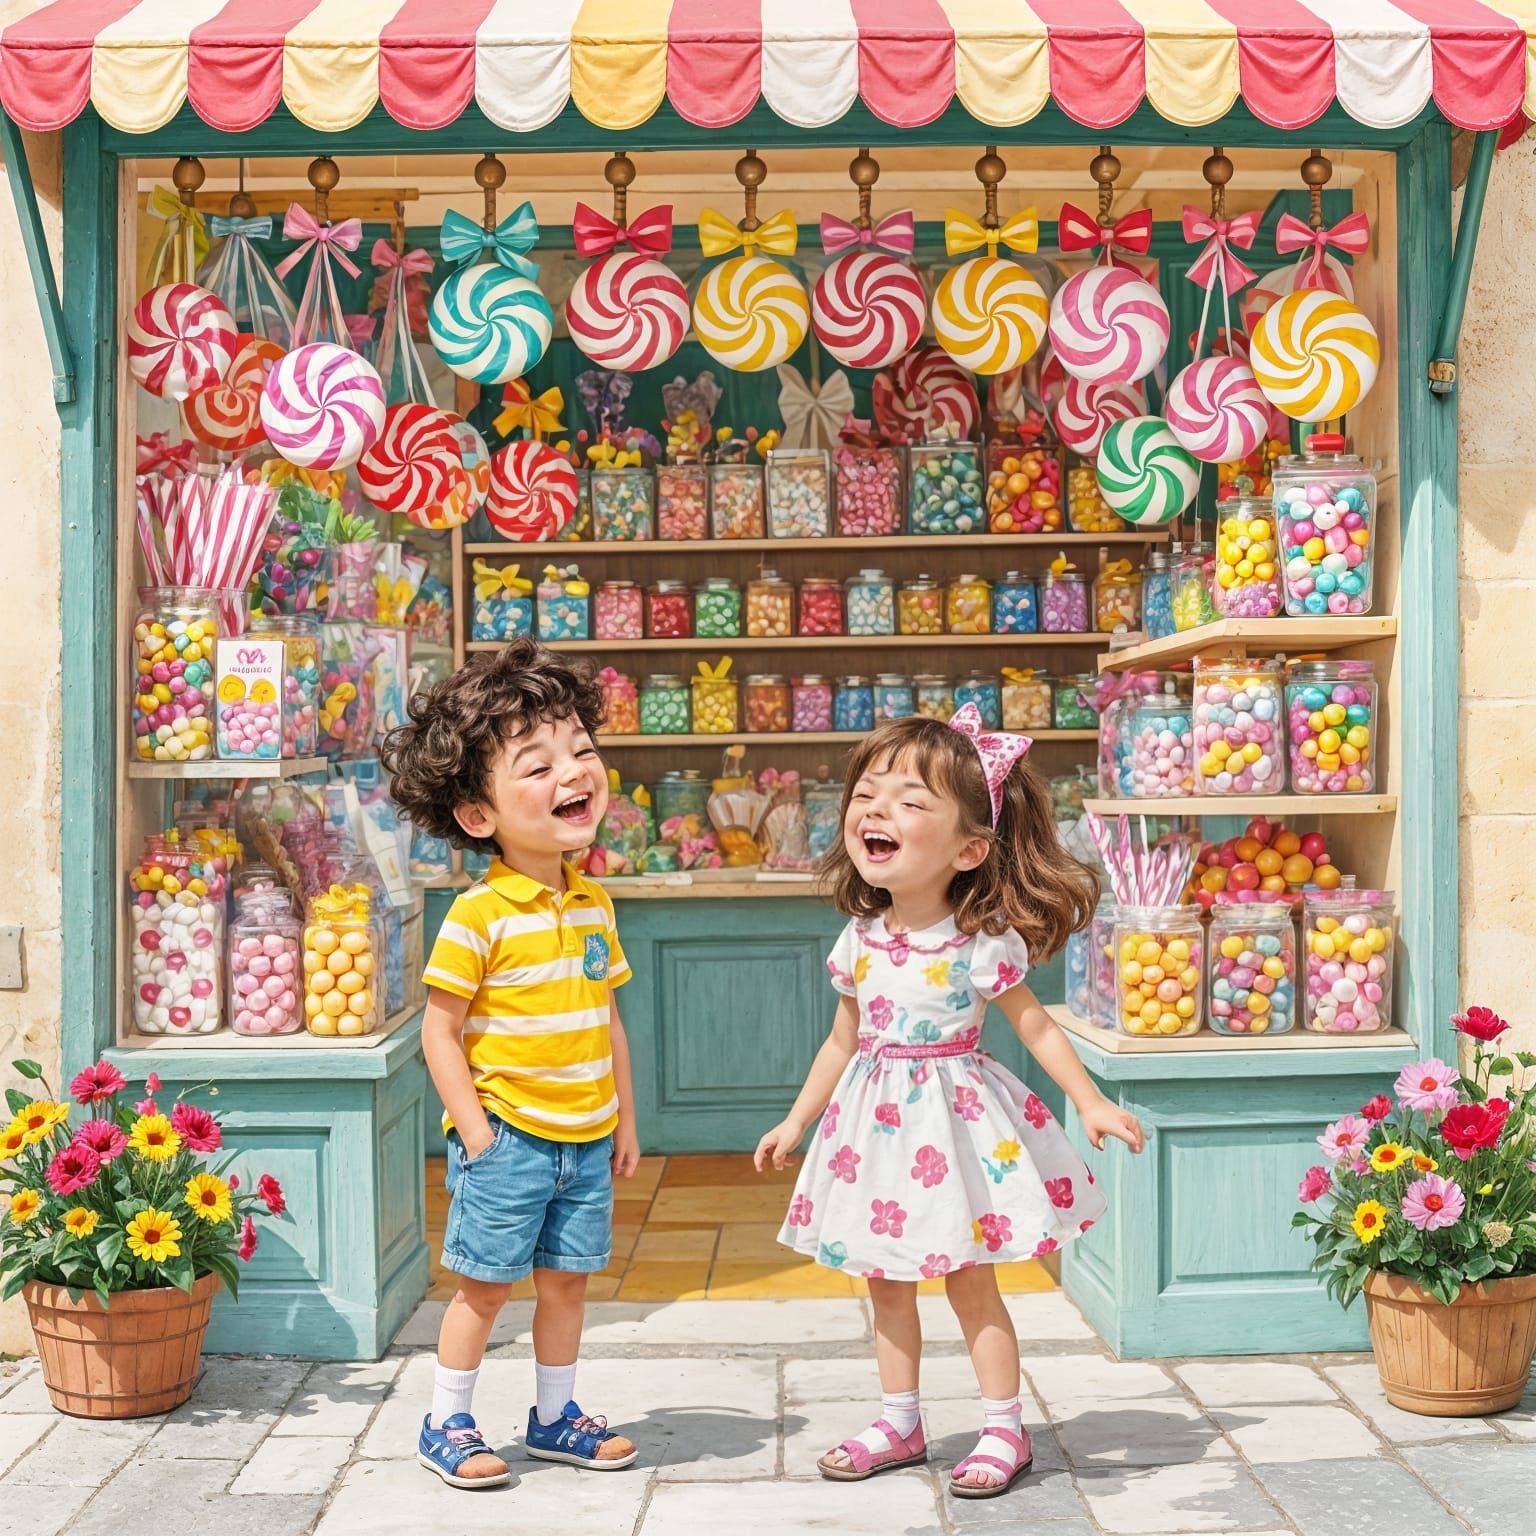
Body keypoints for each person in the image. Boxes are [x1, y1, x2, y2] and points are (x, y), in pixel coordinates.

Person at [756, 706, 1145, 1500]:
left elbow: (1035, 1028)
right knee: (884, 1281)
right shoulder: (858, 941)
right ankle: (900, 1419)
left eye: (908, 801)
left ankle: (1005, 1425)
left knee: (972, 1280)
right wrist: (797, 1120)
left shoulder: (980, 943)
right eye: (867, 794)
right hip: (873, 1134)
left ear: (970, 848)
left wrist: (1091, 1102)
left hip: (956, 1129)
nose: (876, 811)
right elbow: (841, 1042)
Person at [382, 639, 641, 1489]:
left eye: (582, 753)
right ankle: (446, 1420)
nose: (574, 772)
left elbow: (605, 1014)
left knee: (566, 1287)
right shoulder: (478, 915)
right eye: (538, 764)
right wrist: (480, 1138)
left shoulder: (592, 901)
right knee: (485, 1290)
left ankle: (556, 1416)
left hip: (586, 1138)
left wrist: (625, 1121)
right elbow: (439, 1033)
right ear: (478, 815)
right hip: (513, 1142)